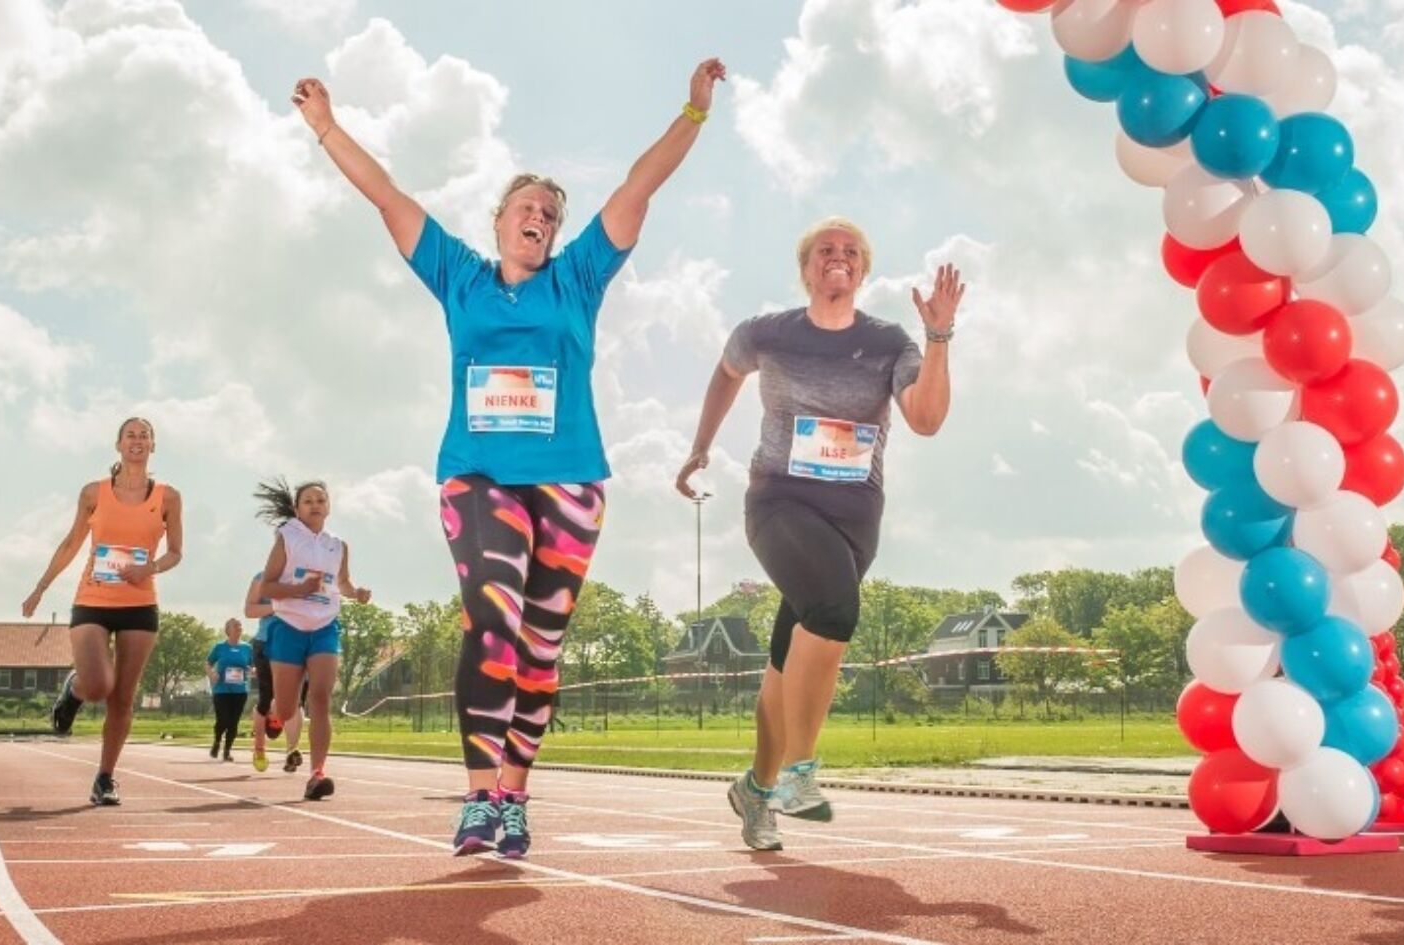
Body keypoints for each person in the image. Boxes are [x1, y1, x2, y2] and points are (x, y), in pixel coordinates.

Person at [292, 55, 725, 859]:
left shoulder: (579, 279)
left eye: (553, 214)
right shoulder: (458, 274)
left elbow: (638, 186)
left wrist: (693, 112)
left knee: (540, 649)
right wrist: (326, 129)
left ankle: (514, 797)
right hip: (479, 478)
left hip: (570, 486)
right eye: (529, 206)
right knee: (493, 621)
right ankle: (474, 796)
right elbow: (387, 195)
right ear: (498, 220)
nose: (543, 217)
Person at [676, 218, 961, 850]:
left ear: (862, 272)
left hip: (855, 518)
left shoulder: (889, 342)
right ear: (806, 268)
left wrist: (937, 335)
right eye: (826, 251)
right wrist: (700, 447)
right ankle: (801, 773)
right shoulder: (767, 333)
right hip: (779, 502)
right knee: (835, 608)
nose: (839, 258)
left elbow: (928, 418)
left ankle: (756, 788)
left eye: (851, 252)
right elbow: (726, 373)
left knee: (784, 666)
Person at [23, 417, 185, 806]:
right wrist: (41, 587)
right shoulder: (94, 493)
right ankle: (74, 689)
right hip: (93, 600)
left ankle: (105, 777)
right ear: (118, 445)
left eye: (145, 435)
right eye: (130, 435)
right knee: (98, 685)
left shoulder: (168, 497)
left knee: (122, 698)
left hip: (140, 604)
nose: (137, 440)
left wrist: (151, 568)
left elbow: (176, 551)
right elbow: (72, 542)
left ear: (153, 446)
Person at [254, 478, 370, 801]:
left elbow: (342, 583)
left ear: (329, 507)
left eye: (320, 500)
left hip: (325, 627)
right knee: (290, 707)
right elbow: (267, 588)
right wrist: (297, 591)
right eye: (308, 501)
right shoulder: (288, 537)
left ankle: (317, 774)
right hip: (288, 626)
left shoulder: (338, 544)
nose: (315, 505)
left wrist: (356, 592)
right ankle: (277, 710)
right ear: (297, 508)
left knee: (320, 699)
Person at [243, 571, 305, 773]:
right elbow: (249, 610)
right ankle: (260, 749)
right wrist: (277, 607)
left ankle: (292, 750)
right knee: (266, 700)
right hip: (267, 642)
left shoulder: (305, 575)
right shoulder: (262, 577)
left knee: (295, 700)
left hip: (297, 641)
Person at [206, 618, 253, 762]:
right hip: (221, 690)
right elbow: (208, 663)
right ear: (228, 630)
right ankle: (217, 741)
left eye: (240, 626)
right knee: (223, 719)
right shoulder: (219, 647)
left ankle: (227, 751)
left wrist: (253, 670)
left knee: (234, 722)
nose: (239, 628)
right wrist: (211, 673)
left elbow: (253, 666)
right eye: (236, 626)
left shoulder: (247, 648)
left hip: (240, 691)